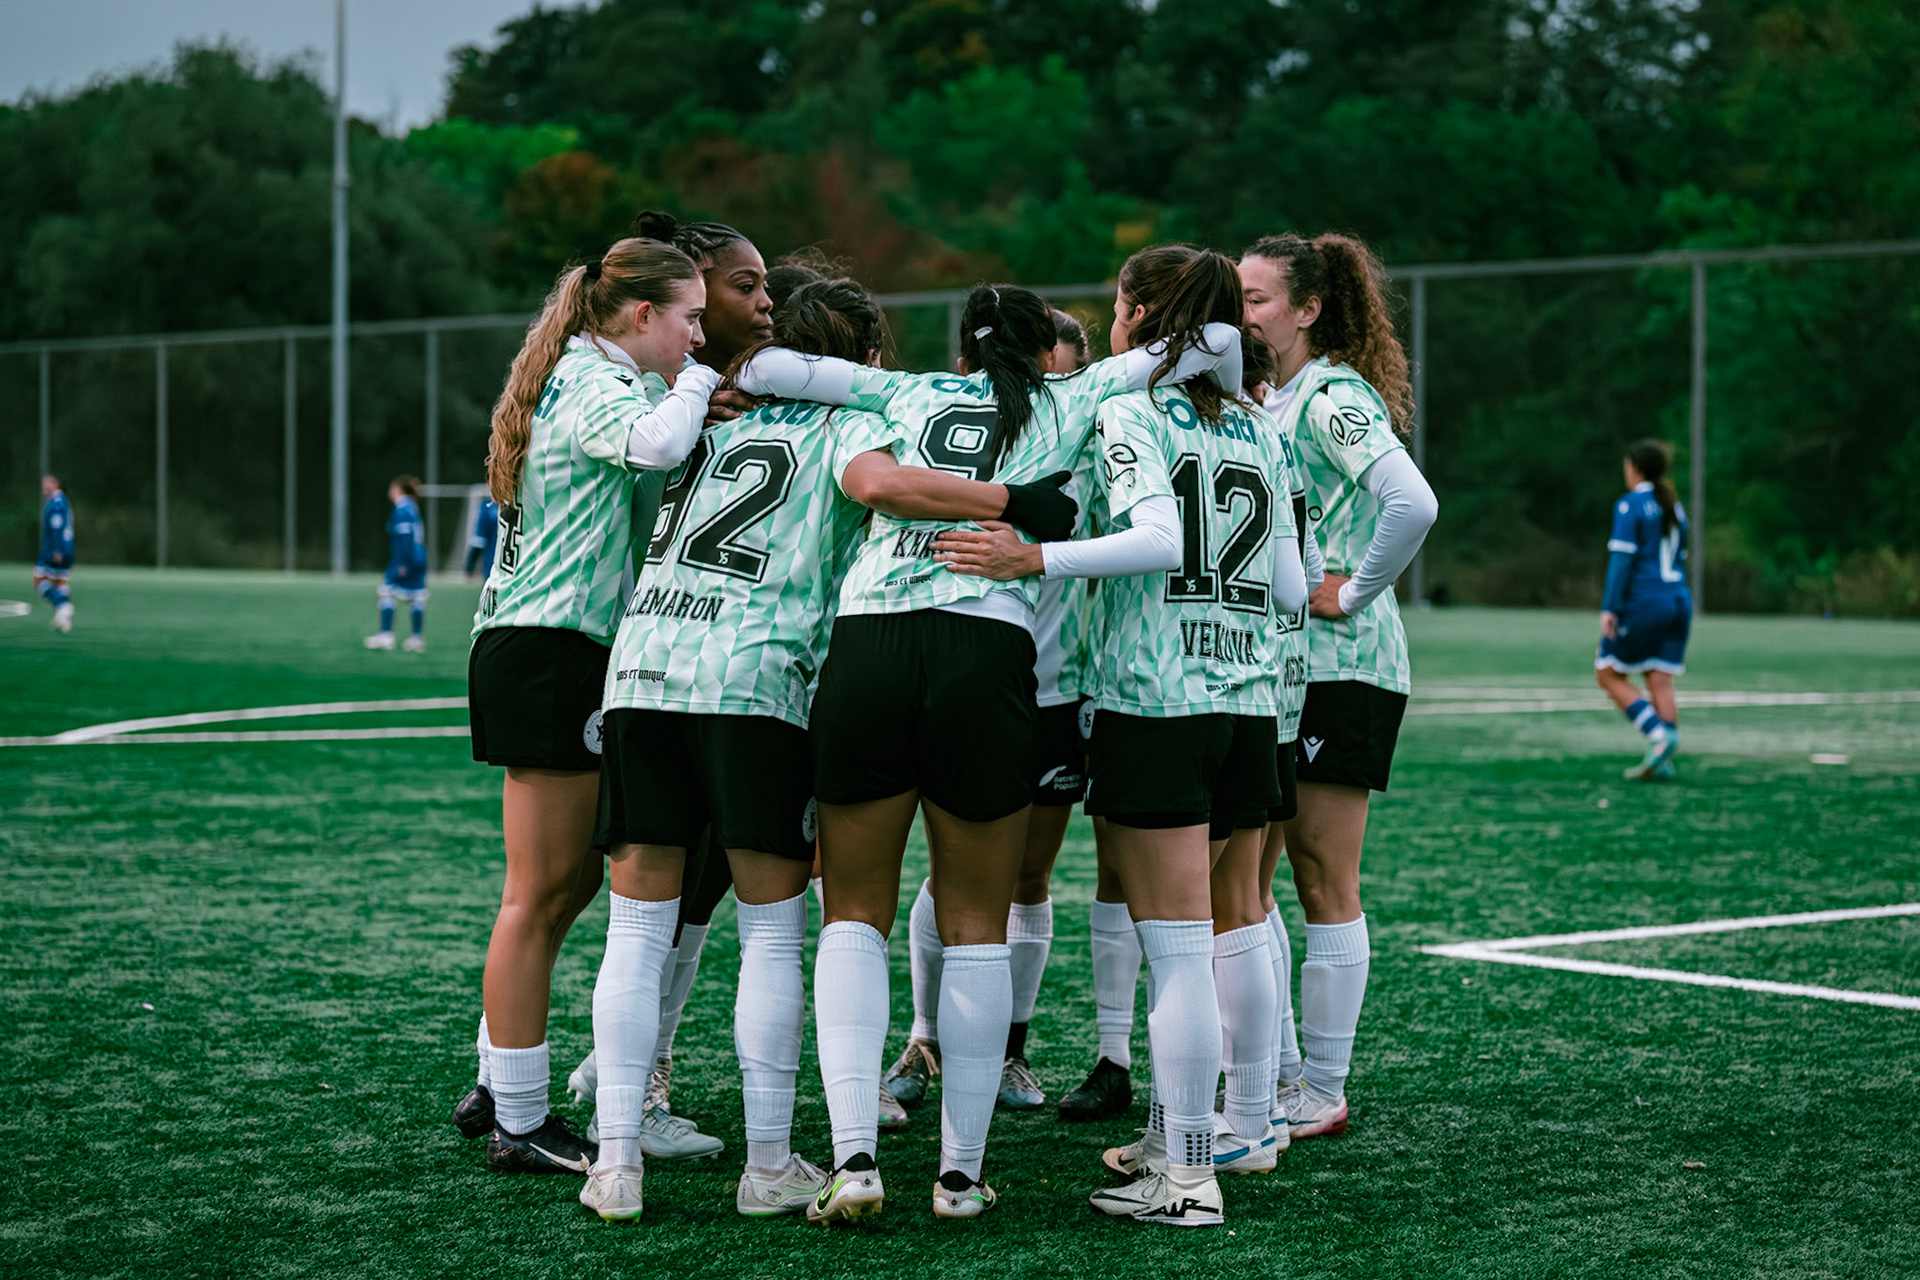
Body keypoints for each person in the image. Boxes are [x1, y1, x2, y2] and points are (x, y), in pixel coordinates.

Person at [736, 280, 1240, 1223]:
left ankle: (854, 1157)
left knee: (854, 913)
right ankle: (959, 1176)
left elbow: (764, 365)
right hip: (985, 651)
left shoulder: (902, 391)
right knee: (979, 919)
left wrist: (746, 382)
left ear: (960, 350)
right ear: (1042, 344)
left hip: (873, 642)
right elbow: (1212, 336)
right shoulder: (1078, 394)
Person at [581, 277, 1083, 1222]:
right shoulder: (858, 416)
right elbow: (881, 482)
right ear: (857, 359)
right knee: (779, 931)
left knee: (636, 932)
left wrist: (714, 377)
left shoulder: (694, 415)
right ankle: (785, 1160)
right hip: (764, 677)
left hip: (646, 667)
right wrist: (1019, 501)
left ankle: (616, 1162)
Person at [935, 245, 1305, 1227]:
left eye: (1122, 303)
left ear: (1148, 315)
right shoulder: (1262, 428)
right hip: (1249, 700)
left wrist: (1036, 553)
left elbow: (1156, 538)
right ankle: (1242, 1120)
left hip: (1160, 699)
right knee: (1236, 918)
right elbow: (1297, 586)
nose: (1113, 316)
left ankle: (1186, 1174)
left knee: (1179, 946)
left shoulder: (1130, 412)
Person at [452, 235, 720, 1179]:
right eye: (689, 318)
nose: (699, 335)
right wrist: (700, 385)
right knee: (540, 892)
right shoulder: (598, 381)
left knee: (559, 888)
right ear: (640, 316)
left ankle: (498, 1077)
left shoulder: (595, 374)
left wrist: (690, 390)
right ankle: (519, 1118)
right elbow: (658, 443)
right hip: (551, 651)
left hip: (544, 647)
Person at [1237, 232, 1438, 1143]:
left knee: (1323, 878)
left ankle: (1322, 1084)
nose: (1241, 313)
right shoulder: (1272, 398)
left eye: (1257, 299)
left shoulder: (1333, 394)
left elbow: (1414, 501)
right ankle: (1278, 1075)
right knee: (1255, 878)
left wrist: (1354, 589)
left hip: (1343, 668)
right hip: (1283, 671)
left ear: (1309, 310)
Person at [890, 306, 1098, 1118]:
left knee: (1026, 877)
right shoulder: (947, 434)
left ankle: (1008, 1048)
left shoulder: (1096, 449)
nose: (1050, 394)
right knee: (946, 874)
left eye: (1066, 380)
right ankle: (922, 1038)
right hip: (959, 669)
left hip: (1051, 689)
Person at [1595, 438, 1691, 780]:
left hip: (1645, 602)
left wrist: (1610, 608)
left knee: (1606, 672)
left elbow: (1622, 561)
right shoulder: (1674, 506)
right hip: (1679, 600)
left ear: (1633, 467)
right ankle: (1662, 759)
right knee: (1659, 678)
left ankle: (1657, 734)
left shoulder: (1630, 505)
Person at [365, 476, 428, 651]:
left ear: (398, 489)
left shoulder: (402, 508)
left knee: (385, 591)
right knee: (416, 597)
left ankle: (386, 636)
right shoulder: (412, 507)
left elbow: (404, 537)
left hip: (405, 558)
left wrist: (402, 563)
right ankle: (417, 639)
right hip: (419, 557)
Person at [34, 475, 74, 633]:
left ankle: (62, 606)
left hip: (55, 551)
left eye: (48, 484)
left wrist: (57, 551)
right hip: (67, 550)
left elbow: (57, 527)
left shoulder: (56, 503)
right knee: (60, 582)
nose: (45, 487)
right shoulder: (63, 501)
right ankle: (63, 618)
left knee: (38, 581)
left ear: (56, 484)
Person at [466, 495, 500, 579]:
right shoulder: (488, 507)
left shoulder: (488, 507)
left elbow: (479, 541)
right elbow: (479, 541)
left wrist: (469, 567)